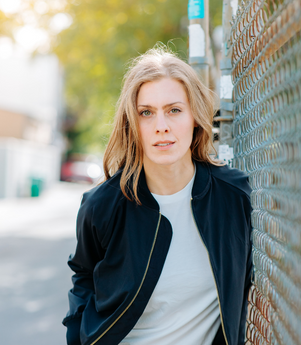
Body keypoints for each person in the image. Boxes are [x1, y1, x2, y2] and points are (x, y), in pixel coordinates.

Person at [63, 46, 253, 345]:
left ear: (195, 116)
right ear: (132, 123)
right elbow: (84, 277)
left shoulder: (232, 196)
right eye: (146, 113)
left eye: (174, 110)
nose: (161, 127)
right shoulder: (104, 205)